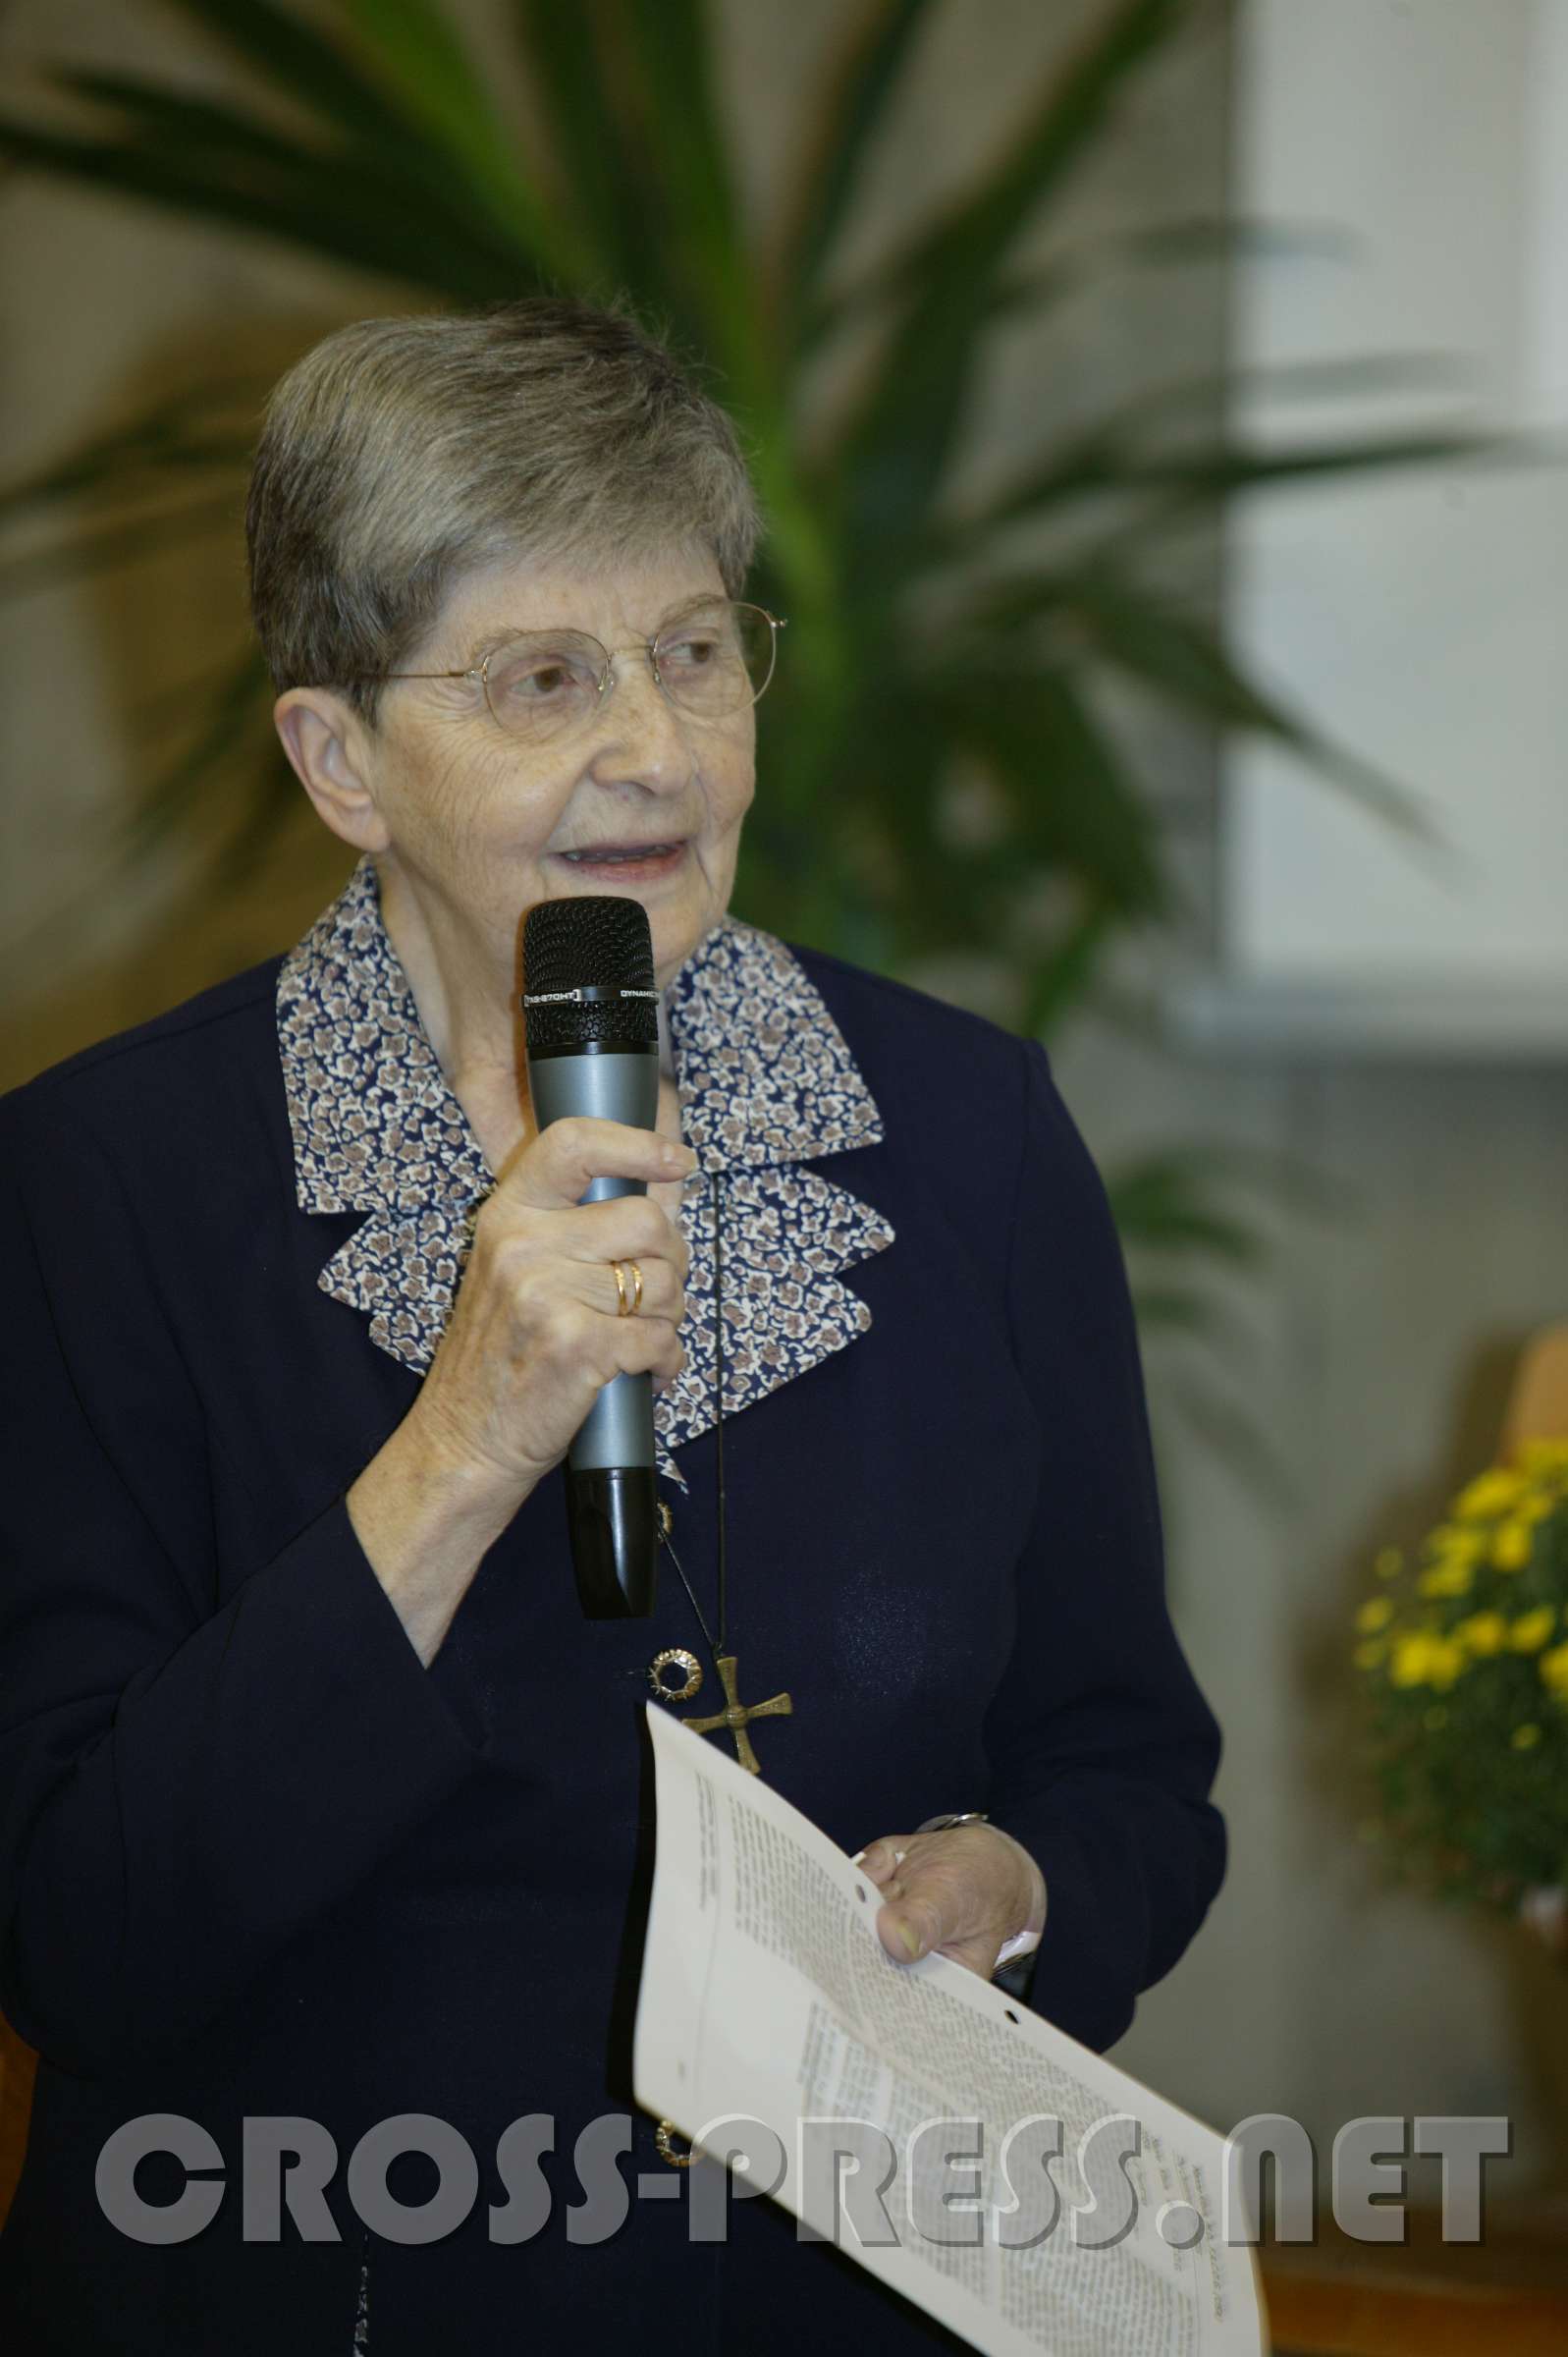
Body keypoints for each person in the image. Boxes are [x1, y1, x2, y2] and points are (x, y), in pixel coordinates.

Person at [0, 297, 1226, 2354]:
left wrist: (1019, 1890)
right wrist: (464, 1443)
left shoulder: (968, 1130)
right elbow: (83, 1936)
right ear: (340, 761)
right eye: (543, 678)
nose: (654, 749)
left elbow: (1128, 1768)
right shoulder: (97, 1187)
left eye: (693, 651)